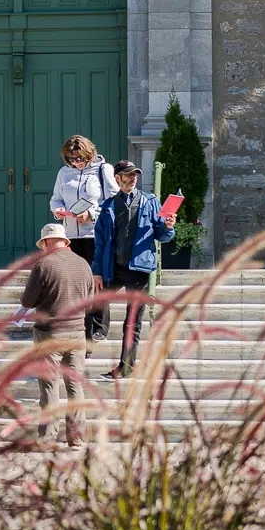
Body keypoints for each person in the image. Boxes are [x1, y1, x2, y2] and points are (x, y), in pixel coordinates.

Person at [91, 160, 175, 379]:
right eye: (127, 175)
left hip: (138, 270)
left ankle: (126, 367)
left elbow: (161, 235)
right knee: (94, 303)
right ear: (117, 178)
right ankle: (88, 347)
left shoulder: (150, 202)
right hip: (113, 268)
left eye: (135, 174)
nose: (132, 178)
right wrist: (97, 271)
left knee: (132, 321)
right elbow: (100, 243)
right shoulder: (108, 205)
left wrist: (168, 227)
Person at [18, 223, 93, 448]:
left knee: (50, 386)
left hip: (50, 333)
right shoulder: (83, 264)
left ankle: (48, 439)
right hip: (78, 332)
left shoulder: (43, 264)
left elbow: (27, 301)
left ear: (48, 242)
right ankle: (77, 438)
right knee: (75, 386)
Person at [48, 135, 118, 346]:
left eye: (79, 158)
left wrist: (92, 214)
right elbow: (55, 198)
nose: (75, 162)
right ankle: (78, 325)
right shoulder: (64, 173)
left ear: (88, 154)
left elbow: (114, 201)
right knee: (76, 283)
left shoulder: (103, 170)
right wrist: (57, 210)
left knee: (97, 280)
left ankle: (99, 326)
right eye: (70, 159)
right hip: (72, 235)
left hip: (96, 235)